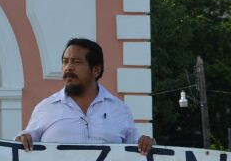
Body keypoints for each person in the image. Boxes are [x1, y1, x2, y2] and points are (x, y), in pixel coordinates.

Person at [17, 38, 154, 154]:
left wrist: (147, 143)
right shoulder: (45, 108)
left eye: (76, 62)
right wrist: (21, 140)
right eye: (65, 61)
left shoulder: (119, 110)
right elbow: (22, 146)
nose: (68, 67)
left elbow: (137, 151)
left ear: (96, 70)